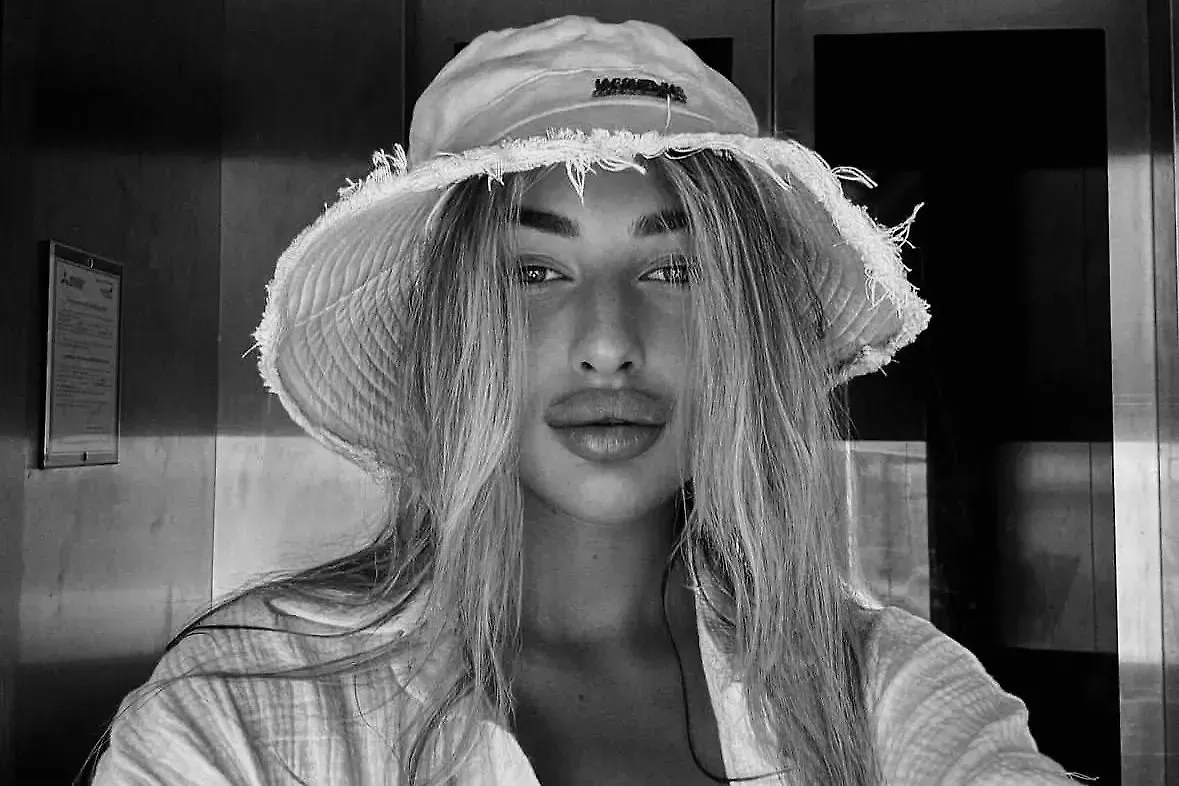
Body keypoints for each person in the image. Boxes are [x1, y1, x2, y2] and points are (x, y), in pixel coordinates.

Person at [88, 15, 1083, 786]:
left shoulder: (882, 691)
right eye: (534, 272)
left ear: (743, 327)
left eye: (673, 270)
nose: (608, 343)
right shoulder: (241, 715)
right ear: (451, 329)